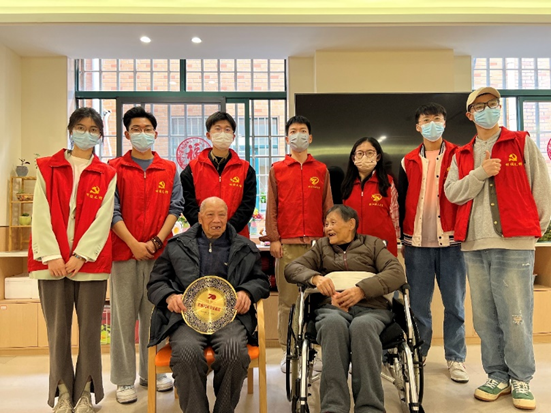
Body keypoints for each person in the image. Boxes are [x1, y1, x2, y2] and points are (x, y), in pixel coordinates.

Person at [444, 87, 551, 410]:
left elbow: (542, 187)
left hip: (515, 243)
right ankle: (496, 375)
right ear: (469, 115)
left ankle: (521, 378)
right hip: (474, 245)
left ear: (500, 108)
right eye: (480, 106)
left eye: (492, 104)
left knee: (515, 314)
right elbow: (453, 193)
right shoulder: (462, 155)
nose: (487, 110)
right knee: (485, 316)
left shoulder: (520, 142)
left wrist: (533, 229)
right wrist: (480, 173)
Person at [28, 107, 116, 413]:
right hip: (50, 264)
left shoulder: (107, 173)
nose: (86, 133)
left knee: (90, 332)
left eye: (93, 129)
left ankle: (85, 394)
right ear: (70, 130)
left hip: (90, 265)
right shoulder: (46, 167)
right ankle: (63, 393)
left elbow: (103, 219)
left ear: (100, 135)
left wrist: (81, 255)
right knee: (58, 332)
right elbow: (40, 214)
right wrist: (52, 255)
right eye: (81, 127)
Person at [147, 196, 271, 413]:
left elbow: (260, 281)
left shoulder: (245, 247)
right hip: (187, 318)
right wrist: (169, 296)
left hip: (230, 318)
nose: (217, 220)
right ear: (199, 218)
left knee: (234, 352)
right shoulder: (177, 246)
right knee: (186, 354)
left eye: (222, 215)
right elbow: (156, 282)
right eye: (210, 215)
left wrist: (247, 292)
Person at [285, 204, 405, 413]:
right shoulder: (321, 247)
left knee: (362, 327)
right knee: (332, 325)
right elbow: (291, 268)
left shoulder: (373, 245)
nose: (327, 228)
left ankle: (370, 408)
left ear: (351, 224)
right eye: (326, 224)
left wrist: (362, 290)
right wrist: (315, 278)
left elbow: (396, 273)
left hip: (371, 309)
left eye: (333, 223)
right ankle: (333, 407)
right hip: (332, 310)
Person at [108, 106, 185, 404]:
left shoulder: (168, 169)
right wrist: (132, 243)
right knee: (123, 318)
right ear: (127, 134)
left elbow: (175, 207)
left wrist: (155, 241)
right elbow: (111, 210)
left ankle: (151, 371)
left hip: (158, 254)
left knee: (155, 315)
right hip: (123, 254)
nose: (143, 134)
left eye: (147, 129)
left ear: (155, 133)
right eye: (136, 129)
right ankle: (124, 379)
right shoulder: (114, 168)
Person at [397, 102, 468, 383]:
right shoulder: (407, 160)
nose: (431, 125)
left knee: (455, 304)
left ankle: (456, 358)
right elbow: (402, 200)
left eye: (436, 119)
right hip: (416, 244)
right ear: (418, 127)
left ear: (444, 123)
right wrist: (402, 239)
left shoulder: (459, 154)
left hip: (452, 243)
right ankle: (420, 351)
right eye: (426, 121)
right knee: (418, 305)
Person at [265, 115, 333, 371]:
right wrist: (274, 238)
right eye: (293, 131)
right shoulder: (277, 170)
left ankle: (314, 350)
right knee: (288, 301)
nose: (298, 135)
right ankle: (289, 349)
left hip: (317, 245)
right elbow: (272, 207)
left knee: (319, 299)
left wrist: (330, 240)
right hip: (288, 245)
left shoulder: (321, 170)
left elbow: (328, 206)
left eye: (303, 131)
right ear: (287, 138)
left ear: (310, 137)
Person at [180, 111, 257, 237]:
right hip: (201, 237)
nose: (223, 133)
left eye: (227, 130)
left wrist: (228, 230)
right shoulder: (192, 169)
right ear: (208, 135)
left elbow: (247, 205)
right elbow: (188, 205)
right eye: (218, 129)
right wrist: (206, 228)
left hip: (236, 237)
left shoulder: (246, 169)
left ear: (233, 136)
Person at [342, 137, 400, 256]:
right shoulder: (347, 184)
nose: (364, 157)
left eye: (370, 153)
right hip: (353, 247)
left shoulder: (388, 182)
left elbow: (395, 216)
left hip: (382, 246)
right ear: (353, 158)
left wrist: (398, 239)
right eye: (360, 153)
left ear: (378, 157)